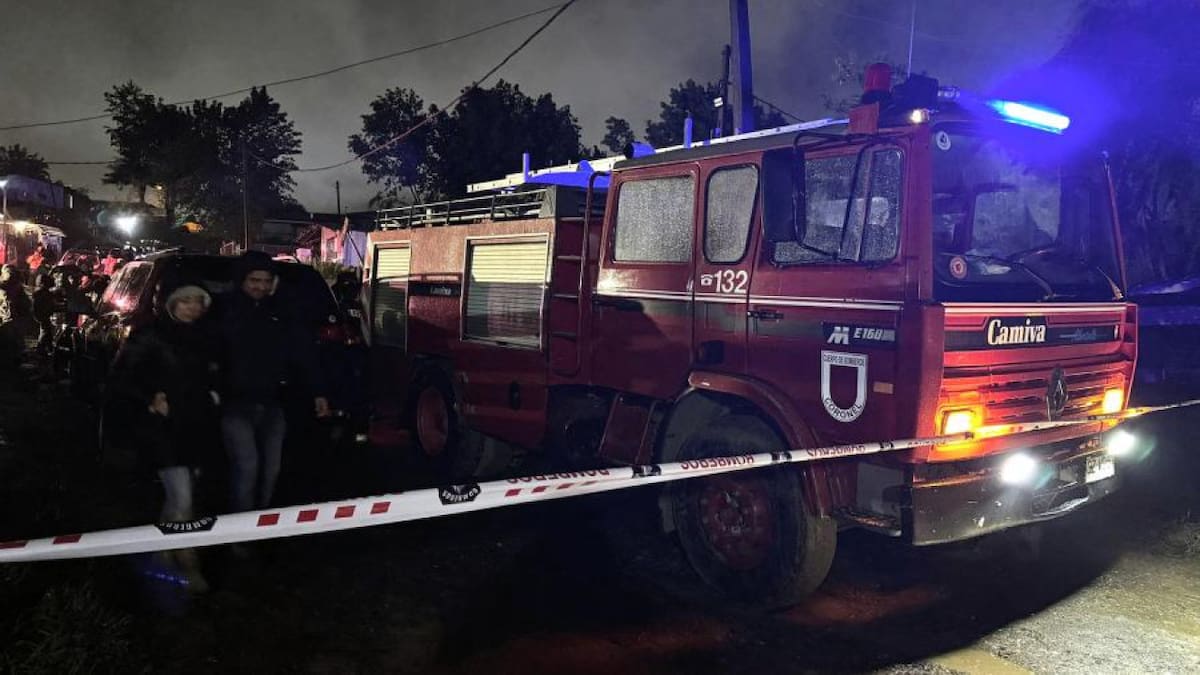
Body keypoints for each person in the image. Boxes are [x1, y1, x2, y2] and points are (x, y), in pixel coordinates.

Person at [109, 281, 219, 592]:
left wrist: (213, 392)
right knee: (182, 497)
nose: (192, 307)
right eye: (186, 301)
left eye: (198, 302)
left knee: (177, 498)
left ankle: (161, 556)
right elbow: (121, 375)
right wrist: (150, 397)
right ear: (171, 303)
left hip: (194, 426)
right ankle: (188, 563)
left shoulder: (202, 337)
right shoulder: (150, 335)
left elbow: (209, 372)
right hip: (162, 429)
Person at [217, 252, 329, 515]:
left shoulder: (280, 312)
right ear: (241, 280)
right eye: (254, 280)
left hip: (272, 403)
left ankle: (261, 526)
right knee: (247, 466)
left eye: (267, 281)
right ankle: (240, 532)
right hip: (235, 404)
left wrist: (318, 392)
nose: (260, 286)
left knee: (271, 469)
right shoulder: (224, 311)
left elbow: (302, 353)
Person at [0, 264, 33, 368]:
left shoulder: (10, 286)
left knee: (12, 340)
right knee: (13, 340)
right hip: (11, 319)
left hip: (11, 319)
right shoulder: (16, 286)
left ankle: (13, 360)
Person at [31, 273, 56, 355]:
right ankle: (40, 348)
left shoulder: (38, 292)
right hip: (43, 315)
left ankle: (48, 347)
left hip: (41, 314)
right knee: (45, 330)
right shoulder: (44, 293)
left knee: (46, 330)